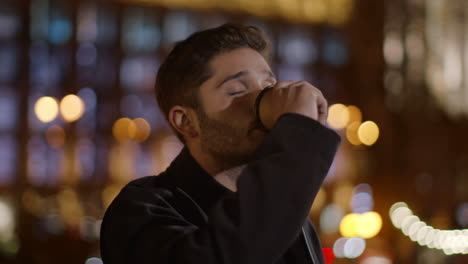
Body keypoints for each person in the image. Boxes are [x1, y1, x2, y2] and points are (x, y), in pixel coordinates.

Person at [100, 23, 340, 264]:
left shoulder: (288, 215)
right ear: (186, 121)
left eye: (268, 87)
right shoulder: (143, 209)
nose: (260, 101)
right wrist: (297, 137)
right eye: (236, 91)